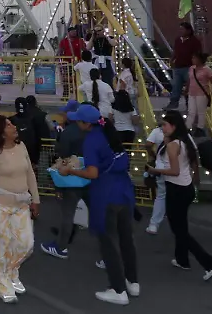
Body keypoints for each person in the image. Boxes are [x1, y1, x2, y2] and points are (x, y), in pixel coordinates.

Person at [56, 104, 139, 305]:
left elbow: (92, 173)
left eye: (78, 120)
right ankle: (132, 282)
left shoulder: (92, 140)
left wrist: (70, 171)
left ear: (86, 123)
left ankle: (118, 290)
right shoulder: (110, 133)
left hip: (106, 194)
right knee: (126, 239)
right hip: (124, 191)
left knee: (108, 243)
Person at [146, 110, 212, 281]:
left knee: (178, 230)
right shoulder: (184, 140)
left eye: (165, 125)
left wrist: (155, 170)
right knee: (181, 226)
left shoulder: (173, 145)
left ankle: (209, 262)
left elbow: (174, 171)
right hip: (185, 188)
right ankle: (182, 259)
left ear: (173, 126)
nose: (162, 128)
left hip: (176, 189)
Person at [0, 119, 39, 304]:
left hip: (21, 203)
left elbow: (30, 174)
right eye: (10, 125)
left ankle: (11, 271)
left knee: (26, 244)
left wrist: (36, 199)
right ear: (2, 132)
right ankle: (2, 284)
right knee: (1, 246)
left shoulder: (21, 147)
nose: (15, 127)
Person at [41, 100, 87, 259]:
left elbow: (62, 157)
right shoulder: (92, 130)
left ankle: (61, 247)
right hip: (90, 175)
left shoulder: (68, 133)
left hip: (71, 178)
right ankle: (107, 251)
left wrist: (58, 187)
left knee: (68, 214)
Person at [167, 22, 202, 110]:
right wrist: (172, 59)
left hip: (189, 67)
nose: (180, 31)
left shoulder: (195, 41)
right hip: (178, 67)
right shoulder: (178, 40)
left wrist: (196, 65)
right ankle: (173, 103)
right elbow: (175, 51)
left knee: (189, 87)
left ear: (189, 30)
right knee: (176, 86)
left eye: (182, 29)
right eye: (180, 29)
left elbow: (198, 54)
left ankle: (189, 104)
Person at [186, 52, 212, 135]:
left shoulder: (207, 70)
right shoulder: (191, 68)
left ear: (200, 60)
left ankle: (200, 128)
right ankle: (187, 128)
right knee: (191, 111)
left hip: (202, 94)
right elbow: (189, 80)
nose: (192, 60)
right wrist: (186, 89)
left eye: (194, 58)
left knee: (201, 112)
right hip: (191, 93)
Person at [143, 125, 166, 235]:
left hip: (161, 169)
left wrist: (154, 156)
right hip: (175, 172)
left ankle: (154, 224)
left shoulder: (157, 131)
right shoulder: (183, 134)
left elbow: (148, 144)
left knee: (161, 196)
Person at [111, 63, 138, 144]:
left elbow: (110, 119)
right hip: (130, 131)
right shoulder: (131, 108)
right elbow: (135, 121)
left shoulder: (113, 108)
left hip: (117, 130)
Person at [10, 97, 40, 167]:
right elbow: (37, 139)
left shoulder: (11, 120)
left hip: (17, 155)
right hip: (28, 155)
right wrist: (35, 159)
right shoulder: (33, 119)